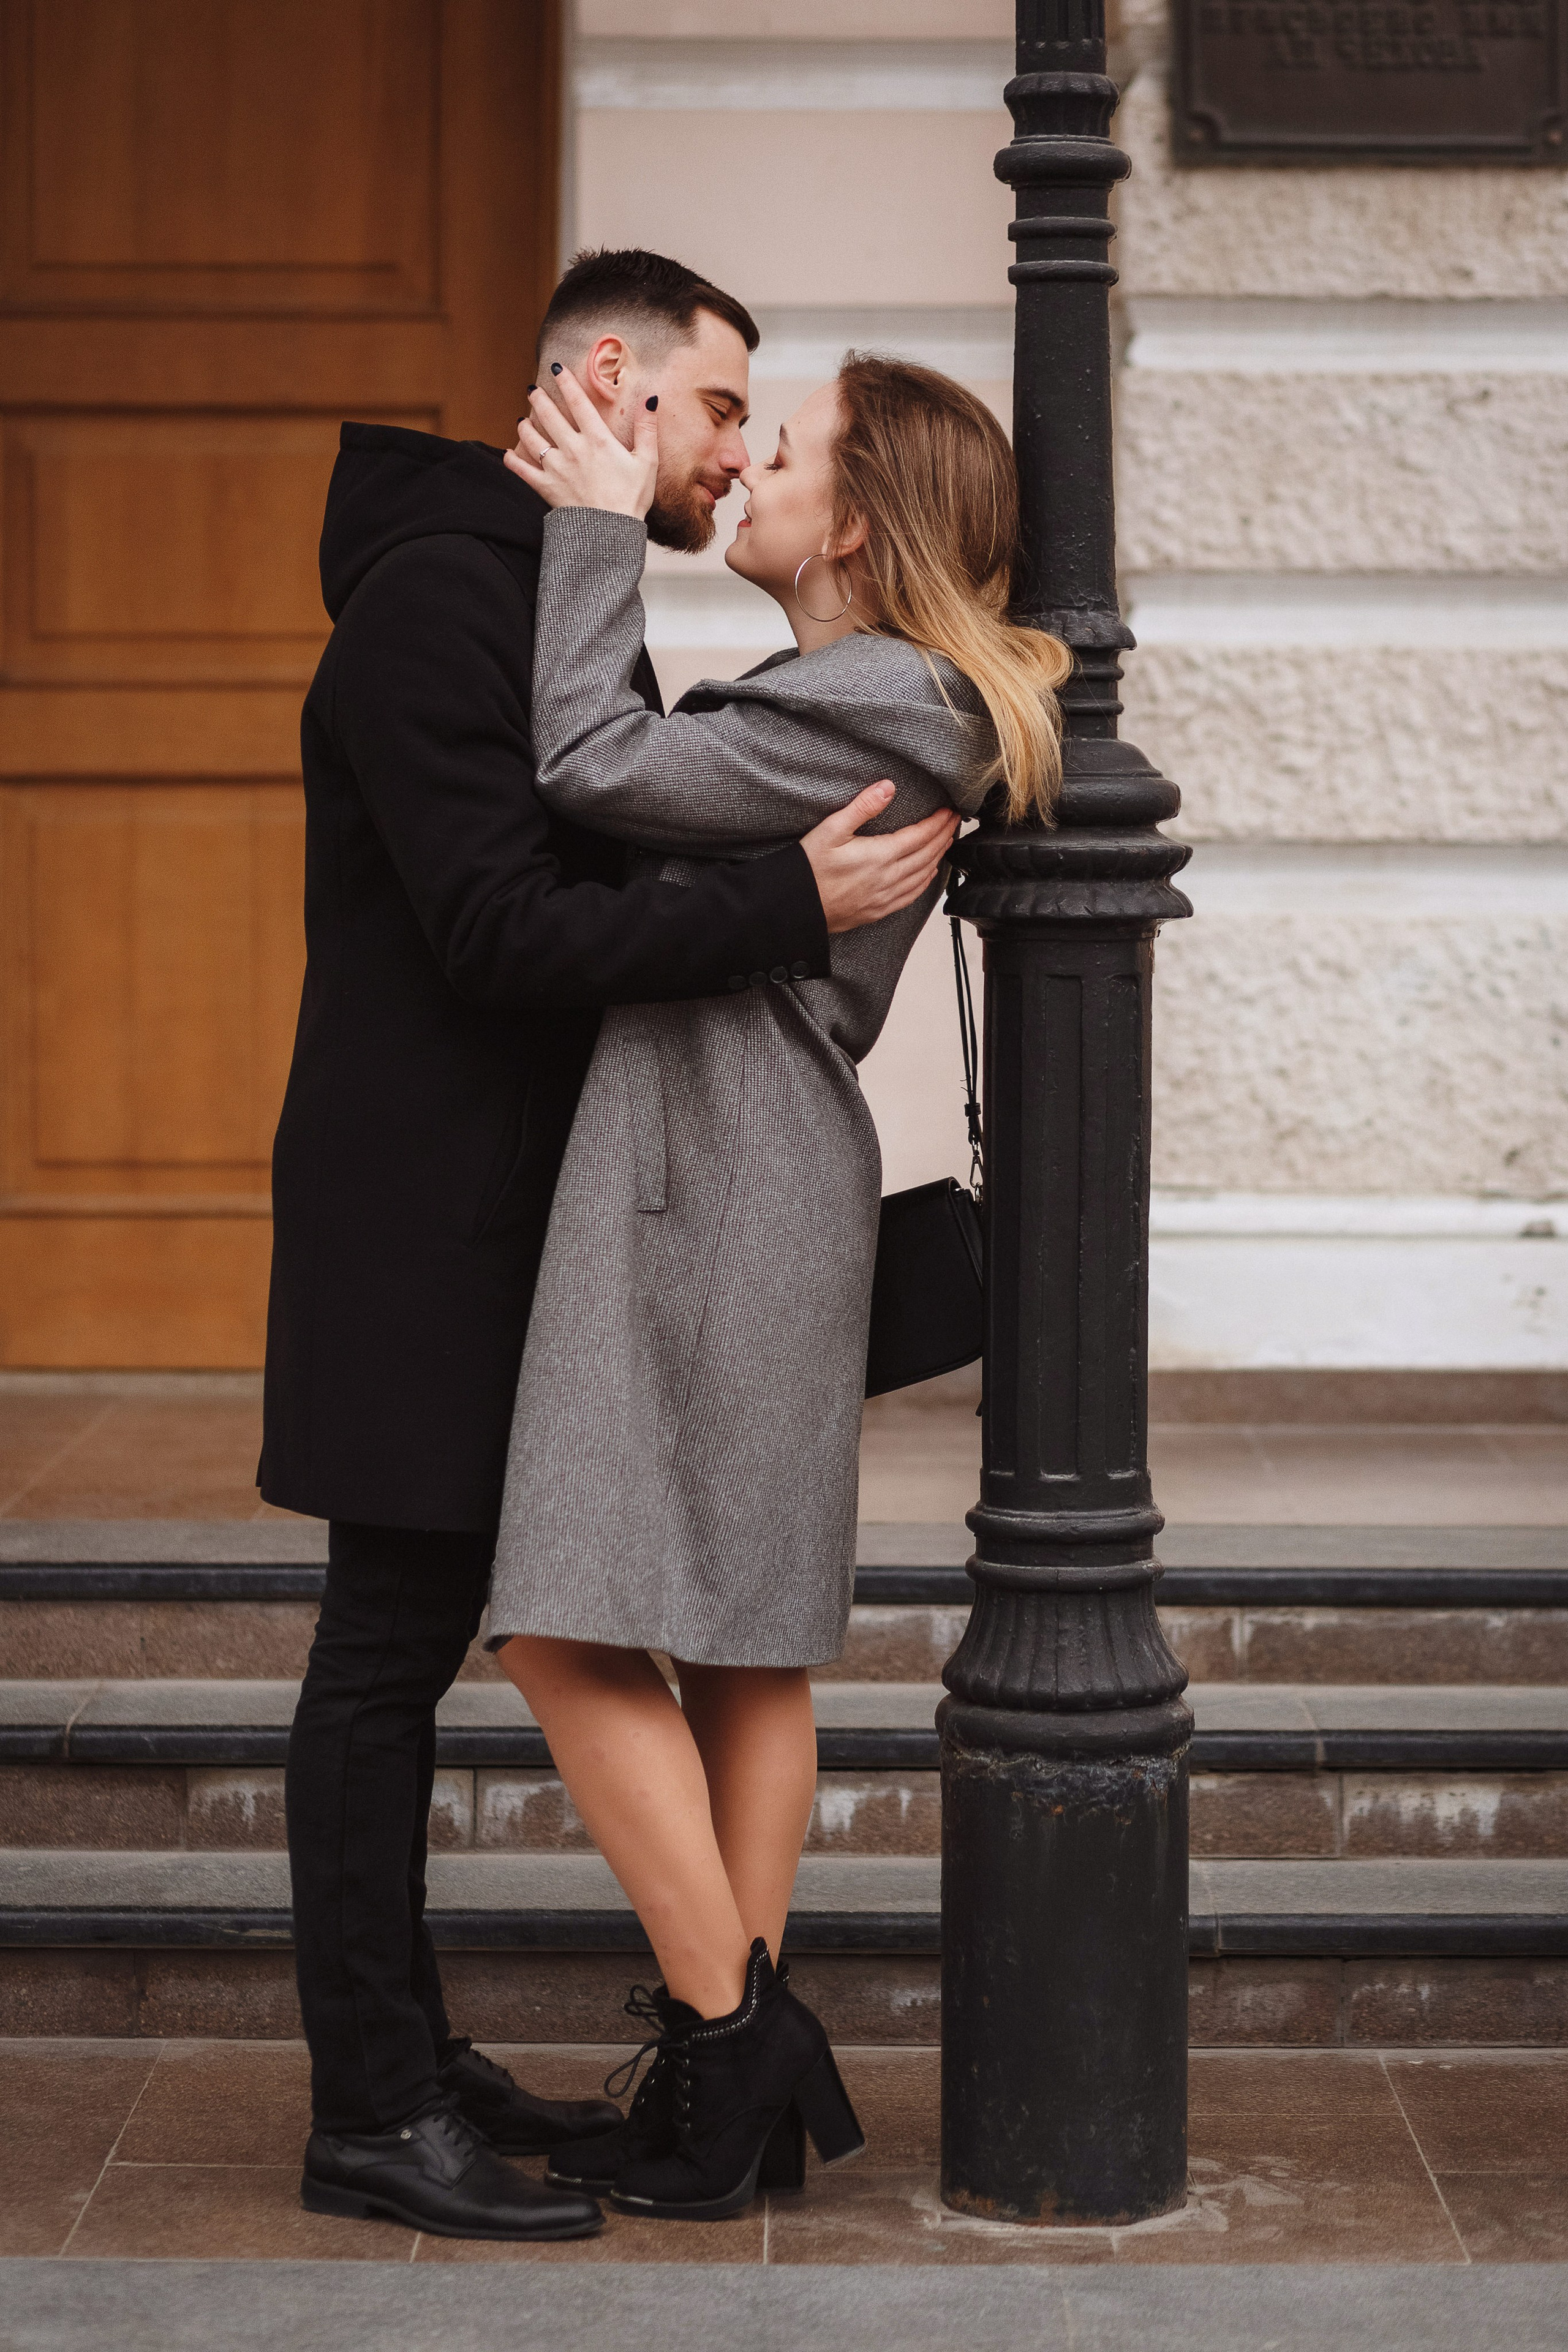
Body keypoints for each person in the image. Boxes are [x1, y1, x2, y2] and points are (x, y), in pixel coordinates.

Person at [262, 249, 957, 2245]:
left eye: (763, 426)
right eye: (725, 405)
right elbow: (498, 929)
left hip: (532, 1210)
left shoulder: (554, 592)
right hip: (428, 1220)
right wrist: (777, 901)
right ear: (610, 382)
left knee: (469, 1645)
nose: (739, 452)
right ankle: (376, 2106)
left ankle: (428, 2058)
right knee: (388, 1658)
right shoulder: (442, 599)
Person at [484, 349, 1071, 2221]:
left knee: (566, 1622)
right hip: (747, 1175)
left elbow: (592, 767)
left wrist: (590, 534)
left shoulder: (881, 697)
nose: (745, 471)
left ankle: (736, 2039)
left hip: (708, 1177)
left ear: (864, 528)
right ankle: (717, 2080)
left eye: (785, 450)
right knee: (739, 1637)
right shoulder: (879, 696)